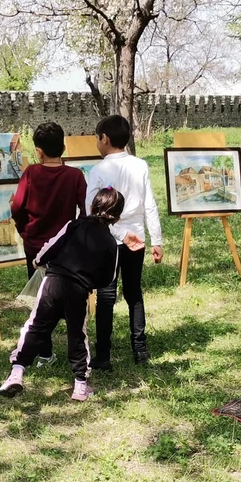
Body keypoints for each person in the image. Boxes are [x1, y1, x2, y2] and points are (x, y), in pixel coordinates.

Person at [0, 188, 124, 402]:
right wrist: (89, 282)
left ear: (91, 207)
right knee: (77, 334)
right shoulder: (111, 243)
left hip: (53, 282)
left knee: (36, 326)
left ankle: (16, 373)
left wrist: (37, 261)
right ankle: (80, 386)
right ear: (118, 217)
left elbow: (50, 247)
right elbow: (108, 278)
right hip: (80, 290)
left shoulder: (74, 225)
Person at [84, 114, 163, 368]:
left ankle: (104, 355)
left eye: (97, 139)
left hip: (108, 241)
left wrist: (116, 233)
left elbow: (91, 210)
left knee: (106, 295)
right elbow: (150, 204)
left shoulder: (98, 170)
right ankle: (139, 350)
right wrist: (156, 240)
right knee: (133, 293)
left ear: (104, 139)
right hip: (137, 239)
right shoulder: (140, 165)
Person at [9, 121, 87, 365]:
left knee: (39, 299)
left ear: (38, 151)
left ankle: (44, 353)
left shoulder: (31, 173)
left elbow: (17, 207)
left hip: (35, 247)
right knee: (68, 298)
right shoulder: (75, 175)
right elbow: (85, 210)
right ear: (63, 147)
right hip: (64, 249)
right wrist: (74, 236)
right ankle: (76, 351)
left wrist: (24, 231)